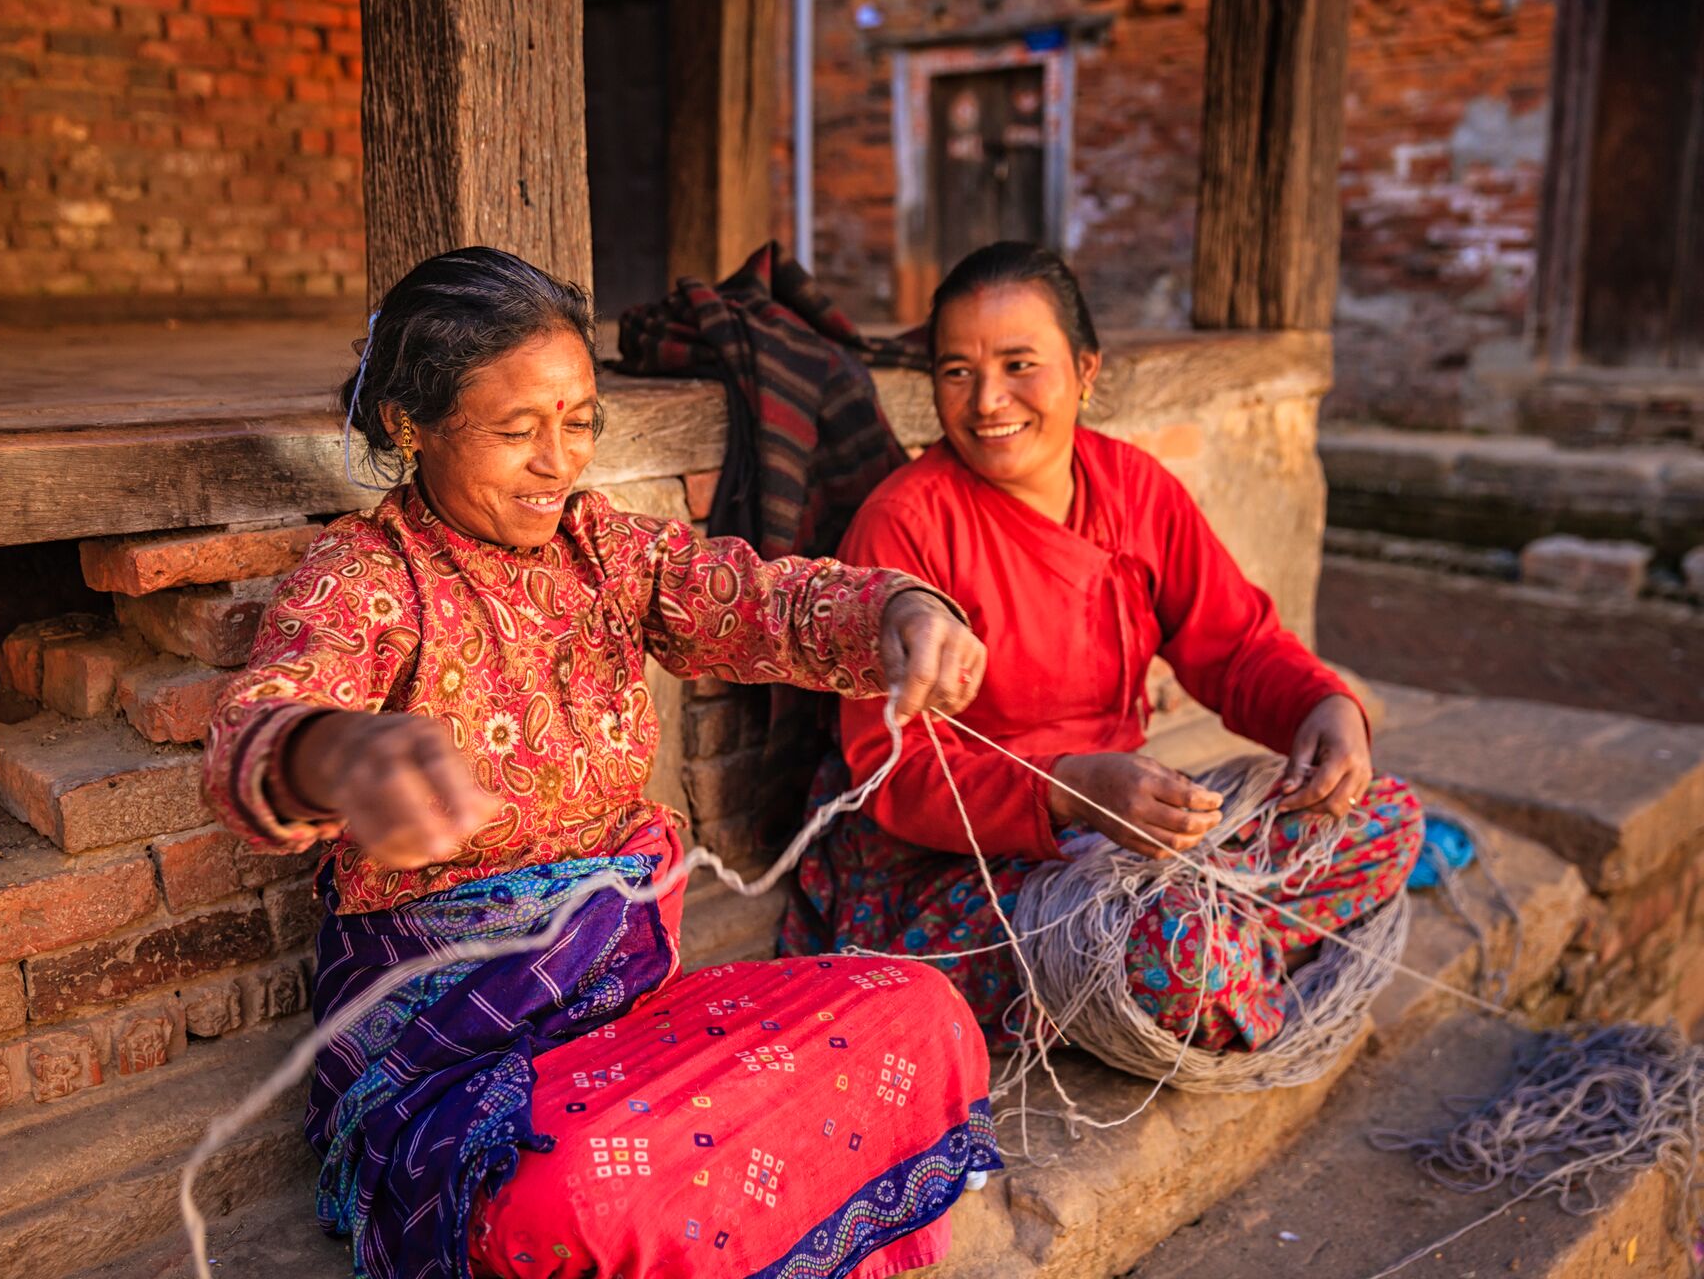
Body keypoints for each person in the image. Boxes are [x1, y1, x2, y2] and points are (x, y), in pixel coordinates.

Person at [202, 247, 1002, 1279]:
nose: (558, 462)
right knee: (577, 1189)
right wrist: (337, 749)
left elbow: (759, 599)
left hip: (629, 1025)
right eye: (516, 430)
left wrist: (900, 607)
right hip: (471, 1074)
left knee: (921, 1014)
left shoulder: (604, 552)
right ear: (410, 424)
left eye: (579, 422)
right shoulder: (363, 579)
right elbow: (258, 720)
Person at [781, 241, 1424, 1055]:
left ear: (1086, 370)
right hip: (958, 869)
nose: (987, 401)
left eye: (1020, 364)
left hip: (1123, 834)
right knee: (1174, 949)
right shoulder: (905, 523)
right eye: (956, 372)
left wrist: (1322, 705)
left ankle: (1217, 961)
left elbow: (1234, 645)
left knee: (1385, 815)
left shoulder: (1136, 489)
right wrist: (1068, 790)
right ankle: (1220, 963)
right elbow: (893, 771)